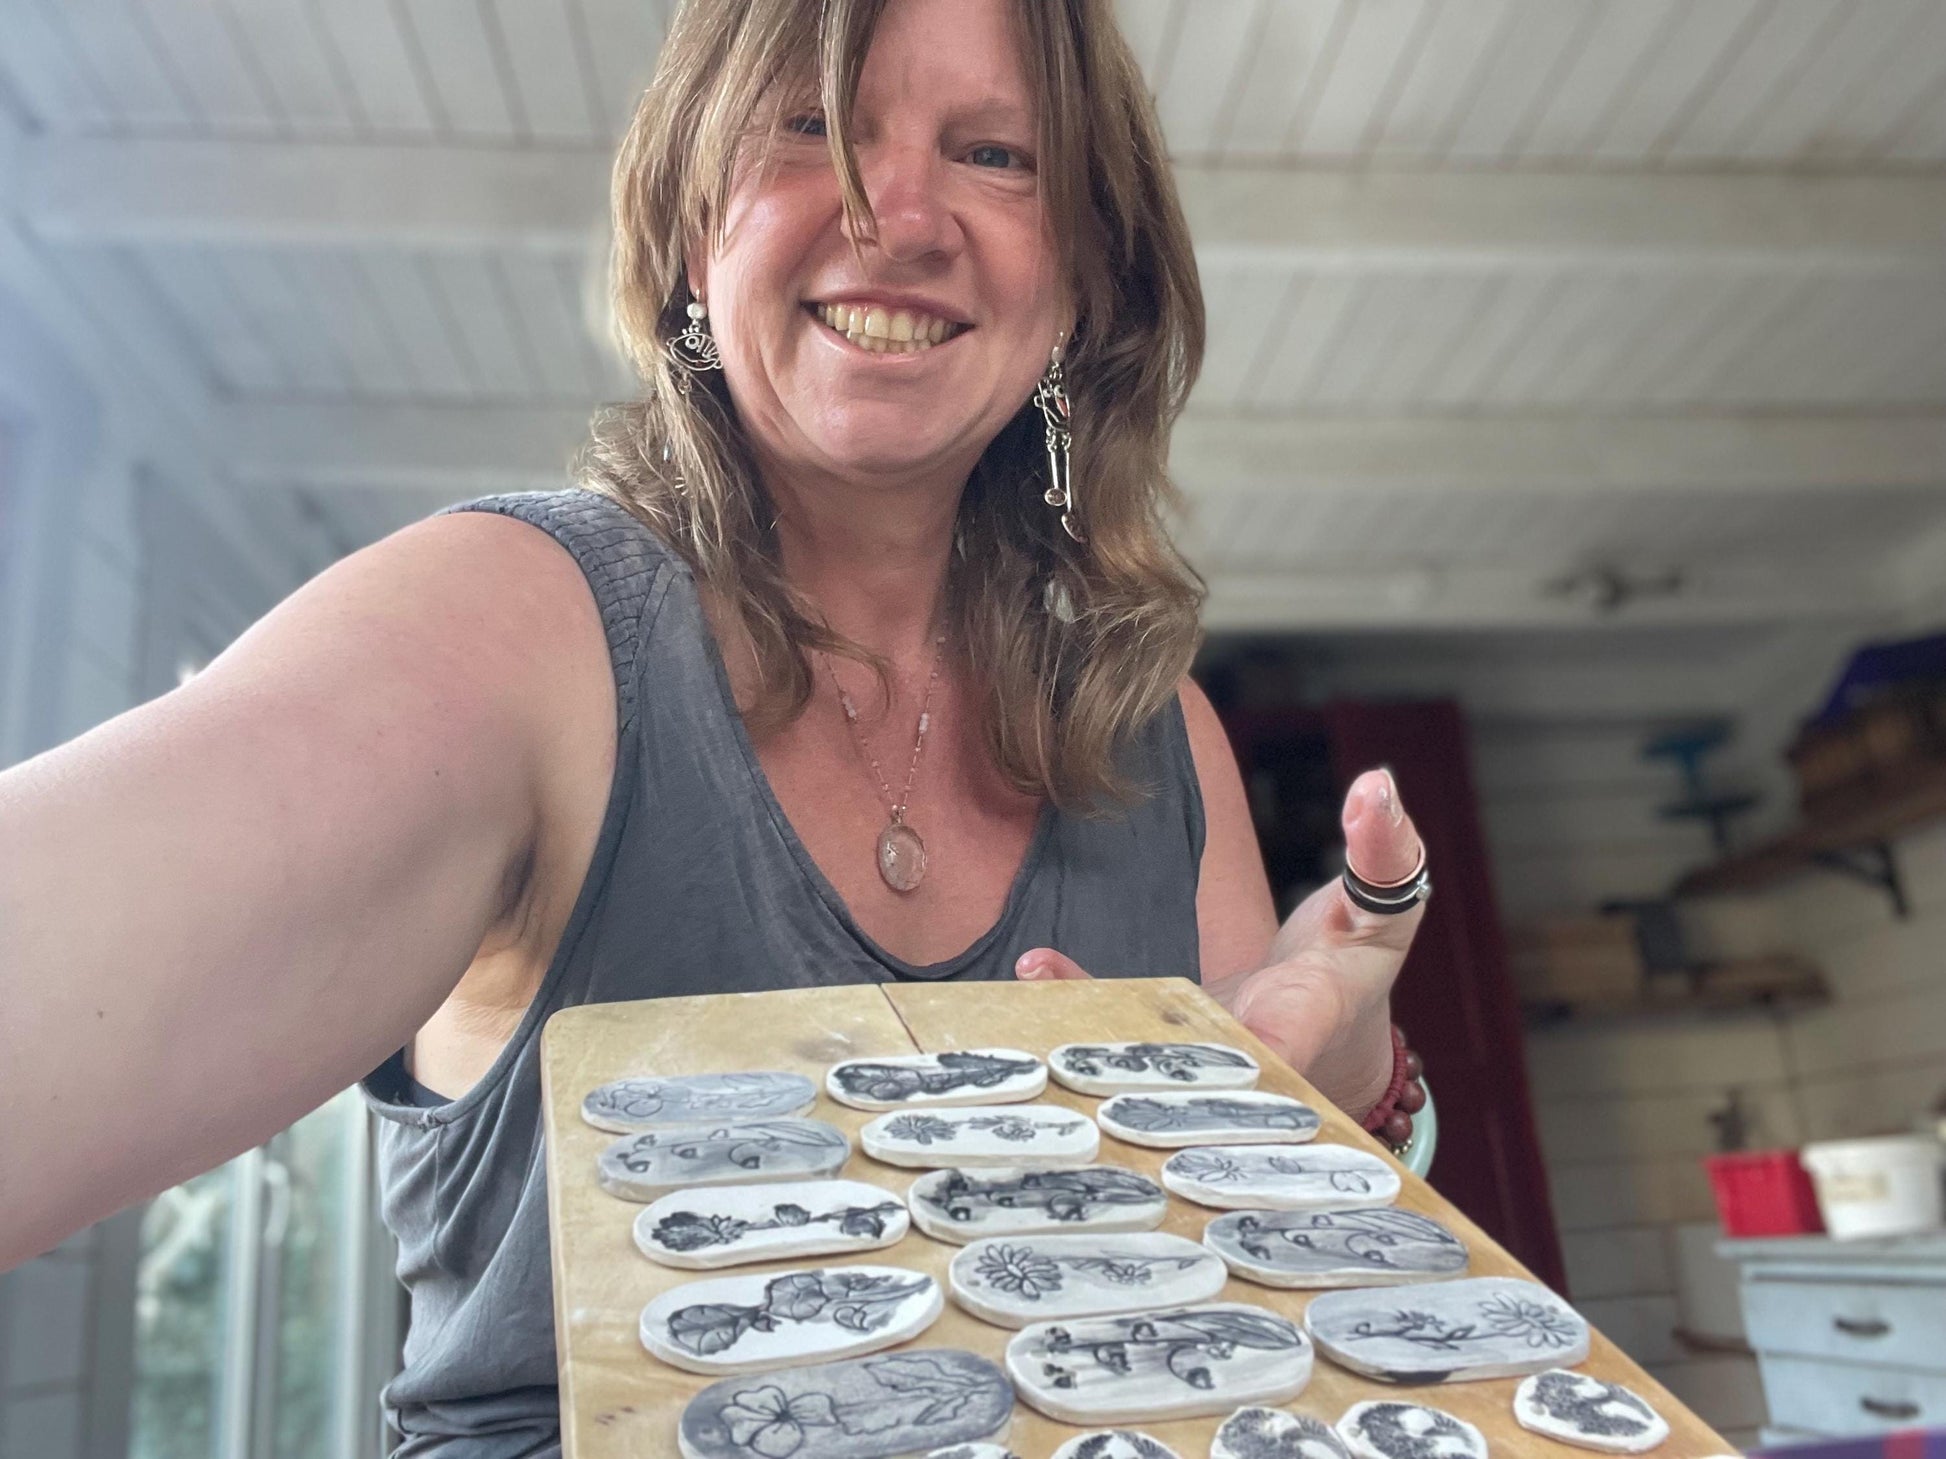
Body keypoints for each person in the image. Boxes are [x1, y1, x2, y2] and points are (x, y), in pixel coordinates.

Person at [0, 0, 1431, 1453]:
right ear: (695, 229)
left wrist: (1356, 1073)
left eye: (996, 154)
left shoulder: (1155, 736)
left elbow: (1274, 1296)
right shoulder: (507, 634)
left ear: (1082, 278)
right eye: (813, 126)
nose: (899, 215)